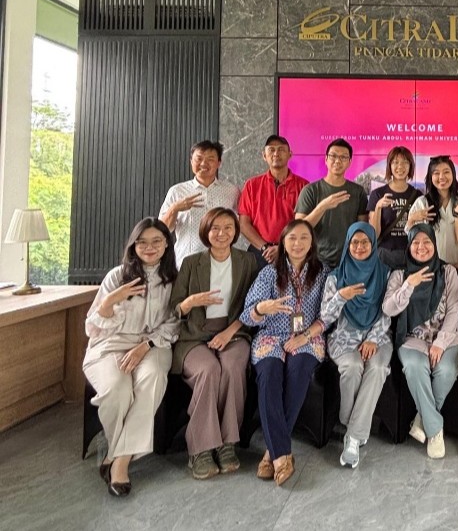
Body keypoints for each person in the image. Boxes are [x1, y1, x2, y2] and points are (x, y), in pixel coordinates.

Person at [82, 217, 180, 497]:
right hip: (109, 344)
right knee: (117, 390)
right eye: (143, 242)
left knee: (152, 379)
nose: (149, 248)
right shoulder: (117, 276)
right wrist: (109, 303)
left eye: (157, 241)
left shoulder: (173, 278)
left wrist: (145, 345)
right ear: (133, 245)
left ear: (166, 244)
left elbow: (174, 322)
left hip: (153, 344)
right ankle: (119, 453)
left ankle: (119, 461)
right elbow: (92, 327)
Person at [169, 208, 258, 480]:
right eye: (215, 228)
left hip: (234, 331)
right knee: (209, 371)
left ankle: (228, 443)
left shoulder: (247, 262)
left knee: (232, 367)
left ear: (236, 230)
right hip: (194, 335)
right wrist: (191, 303)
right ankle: (201, 448)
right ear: (206, 231)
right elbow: (174, 309)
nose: (222, 233)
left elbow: (253, 306)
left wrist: (230, 333)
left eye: (228, 227)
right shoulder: (191, 262)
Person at [240, 219, 330, 486]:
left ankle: (271, 454)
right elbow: (247, 314)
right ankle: (281, 454)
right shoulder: (269, 273)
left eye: (304, 238)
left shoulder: (323, 272)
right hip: (271, 336)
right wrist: (261, 310)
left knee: (299, 370)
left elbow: (329, 314)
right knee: (268, 375)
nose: (298, 244)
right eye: (292, 238)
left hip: (307, 337)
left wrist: (305, 335)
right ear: (283, 242)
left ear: (312, 242)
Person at [382, 224, 458, 458]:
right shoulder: (400, 274)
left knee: (447, 370)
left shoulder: (447, 272)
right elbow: (388, 309)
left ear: (434, 245)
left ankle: (421, 419)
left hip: (447, 336)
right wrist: (409, 285)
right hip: (412, 337)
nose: (421, 247)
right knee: (415, 367)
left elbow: (454, 308)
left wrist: (440, 342)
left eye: (427, 241)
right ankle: (435, 430)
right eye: (415, 242)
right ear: (408, 247)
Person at [321, 222, 392, 469]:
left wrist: (373, 338)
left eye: (365, 242)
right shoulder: (335, 277)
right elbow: (325, 319)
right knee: (351, 366)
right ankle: (352, 423)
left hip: (378, 336)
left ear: (373, 245)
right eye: (355, 242)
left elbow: (387, 312)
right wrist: (341, 297)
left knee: (378, 367)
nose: (360, 247)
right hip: (343, 336)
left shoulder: (385, 273)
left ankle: (352, 437)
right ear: (347, 245)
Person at [159, 140, 243, 267]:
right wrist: (175, 208)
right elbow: (162, 230)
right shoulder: (177, 191)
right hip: (185, 262)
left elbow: (241, 223)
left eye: (210, 159)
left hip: (222, 262)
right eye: (198, 158)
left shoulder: (232, 191)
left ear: (219, 163)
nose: (204, 163)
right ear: (191, 161)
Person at [295, 138, 368, 269]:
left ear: (350, 162)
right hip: (316, 261)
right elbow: (298, 228)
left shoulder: (358, 191)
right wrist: (323, 206)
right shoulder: (310, 190)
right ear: (326, 159)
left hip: (348, 261)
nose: (337, 161)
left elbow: (362, 228)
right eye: (333, 156)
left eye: (343, 157)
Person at [238, 135, 309, 269]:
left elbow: (306, 223)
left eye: (281, 149)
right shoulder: (252, 185)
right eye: (271, 150)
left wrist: (283, 248)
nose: (276, 153)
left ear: (290, 154)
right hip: (259, 252)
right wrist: (265, 247)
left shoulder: (304, 186)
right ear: (264, 155)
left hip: (293, 251)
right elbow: (244, 224)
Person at [407, 155, 458, 270]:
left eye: (446, 172)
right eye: (436, 173)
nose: (441, 177)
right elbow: (412, 238)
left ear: (453, 175)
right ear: (430, 177)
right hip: (427, 268)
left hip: (455, 268)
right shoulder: (422, 203)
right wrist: (411, 219)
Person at [366, 146, 422, 269]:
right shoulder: (377, 194)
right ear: (389, 166)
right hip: (385, 255)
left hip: (411, 254)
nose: (400, 167)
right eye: (395, 162)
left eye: (405, 162)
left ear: (410, 166)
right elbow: (374, 234)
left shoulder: (418, 195)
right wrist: (378, 207)